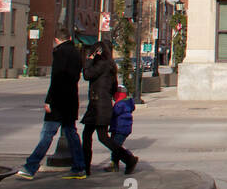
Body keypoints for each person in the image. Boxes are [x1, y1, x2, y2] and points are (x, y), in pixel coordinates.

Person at [18, 27, 87, 179]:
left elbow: (56, 78)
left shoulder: (60, 53)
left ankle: (30, 167)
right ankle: (79, 166)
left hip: (58, 102)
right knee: (71, 133)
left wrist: (49, 100)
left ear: (56, 40)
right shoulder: (76, 53)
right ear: (69, 38)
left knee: (47, 135)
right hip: (71, 99)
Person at [83, 43, 139, 175]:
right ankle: (128, 159)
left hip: (97, 106)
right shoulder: (110, 66)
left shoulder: (100, 65)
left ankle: (85, 167)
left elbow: (87, 74)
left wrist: (88, 60)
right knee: (102, 137)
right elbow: (114, 88)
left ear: (97, 52)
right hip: (104, 105)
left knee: (90, 137)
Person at [106, 86, 137, 173]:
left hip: (119, 129)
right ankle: (114, 164)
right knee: (116, 146)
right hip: (124, 129)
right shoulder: (128, 103)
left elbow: (113, 114)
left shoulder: (119, 105)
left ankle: (126, 159)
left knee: (116, 147)